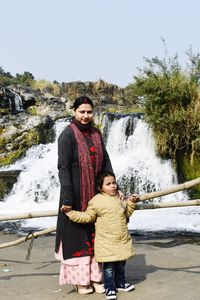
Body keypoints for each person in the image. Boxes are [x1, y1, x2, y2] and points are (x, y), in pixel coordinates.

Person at [55, 96, 113, 294]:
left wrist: (112, 185)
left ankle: (97, 278)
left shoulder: (96, 133)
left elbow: (106, 160)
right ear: (74, 112)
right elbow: (63, 168)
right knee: (78, 239)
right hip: (76, 195)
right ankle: (81, 281)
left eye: (89, 112)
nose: (86, 116)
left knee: (98, 236)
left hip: (96, 195)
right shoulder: (67, 135)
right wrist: (68, 198)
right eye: (82, 112)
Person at [66, 171, 139, 300]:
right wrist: (71, 213)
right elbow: (87, 217)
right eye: (108, 184)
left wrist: (131, 202)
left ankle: (121, 283)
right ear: (100, 188)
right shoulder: (96, 201)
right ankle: (110, 288)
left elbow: (126, 214)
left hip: (122, 239)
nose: (113, 186)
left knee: (121, 263)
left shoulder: (119, 198)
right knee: (109, 268)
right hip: (106, 241)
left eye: (114, 183)